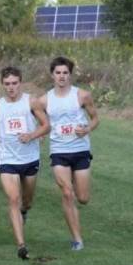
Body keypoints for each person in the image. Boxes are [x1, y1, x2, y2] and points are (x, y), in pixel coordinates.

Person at [0, 67, 50, 260]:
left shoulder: (31, 101)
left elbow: (46, 125)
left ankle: (24, 211)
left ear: (20, 82)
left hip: (30, 158)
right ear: (3, 85)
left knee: (26, 201)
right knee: (13, 199)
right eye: (7, 84)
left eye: (14, 83)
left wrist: (31, 135)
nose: (11, 87)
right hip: (8, 159)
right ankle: (21, 245)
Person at [39, 56, 99, 251]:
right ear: (52, 75)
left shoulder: (82, 95)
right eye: (58, 73)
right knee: (66, 193)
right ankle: (77, 238)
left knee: (82, 198)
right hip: (59, 152)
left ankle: (76, 189)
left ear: (70, 75)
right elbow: (41, 124)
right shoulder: (44, 100)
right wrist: (39, 136)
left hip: (80, 150)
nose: (62, 76)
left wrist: (88, 129)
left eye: (65, 73)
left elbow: (95, 118)